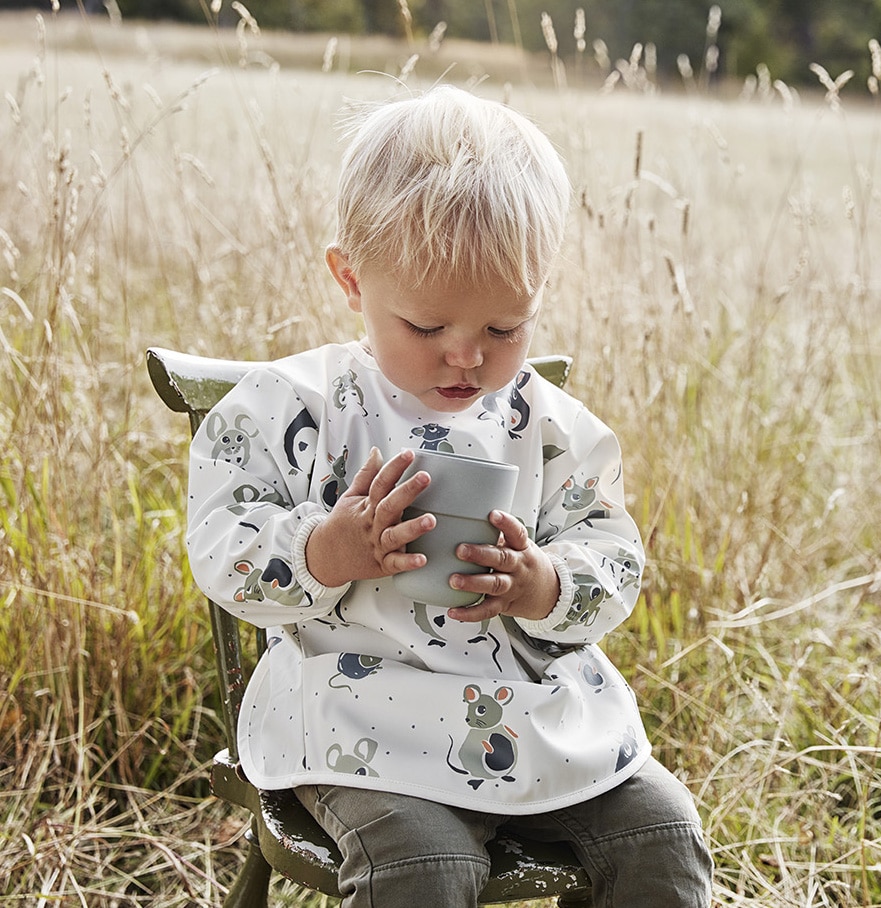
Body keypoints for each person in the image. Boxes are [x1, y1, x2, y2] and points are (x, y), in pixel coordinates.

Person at [186, 85, 713, 907]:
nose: (465, 359)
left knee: (664, 836)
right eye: (428, 328)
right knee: (423, 865)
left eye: (505, 329)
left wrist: (543, 583)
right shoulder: (295, 408)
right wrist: (327, 549)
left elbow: (612, 557)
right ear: (351, 280)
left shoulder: (551, 426)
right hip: (360, 721)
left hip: (535, 717)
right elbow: (222, 542)